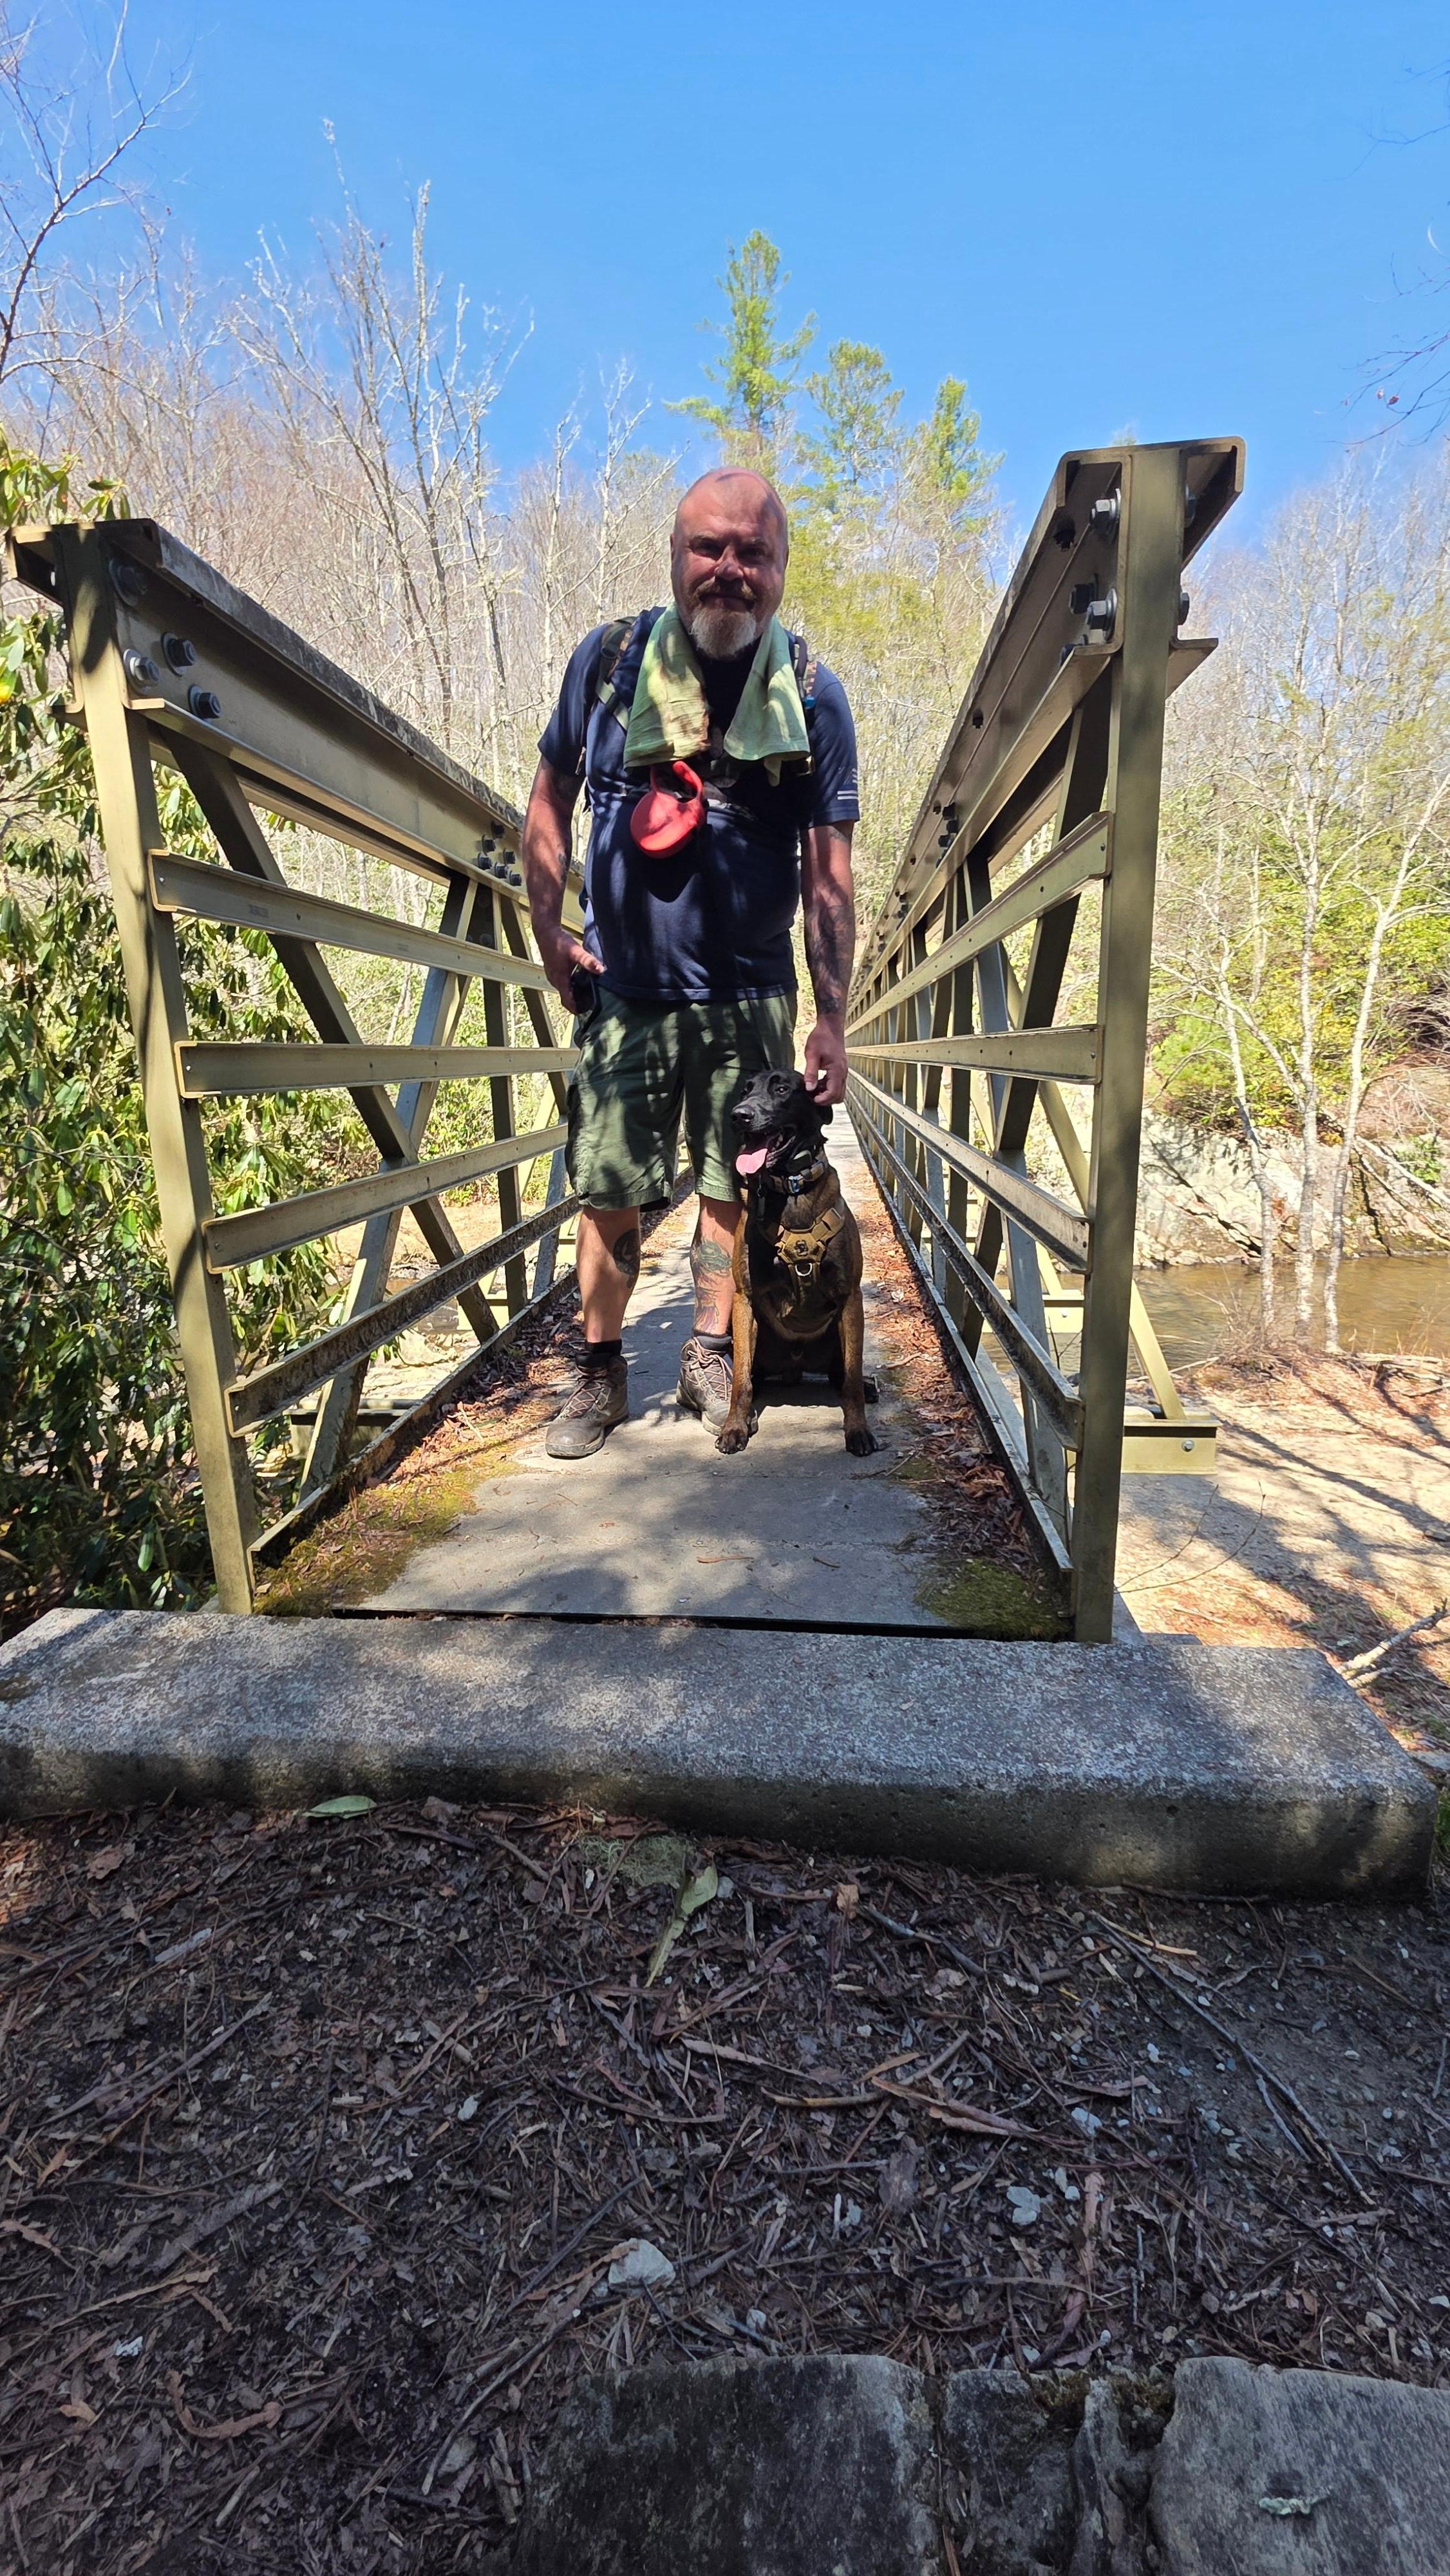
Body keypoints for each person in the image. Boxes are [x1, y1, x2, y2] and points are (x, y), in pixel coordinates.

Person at [522, 466, 861, 1459]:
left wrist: (830, 1013)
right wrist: (548, 925)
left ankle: (711, 1348)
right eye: (708, 548)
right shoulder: (608, 664)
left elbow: (829, 869)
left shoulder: (811, 697)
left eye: (752, 552)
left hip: (751, 994)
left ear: (781, 568)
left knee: (733, 1181)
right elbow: (547, 799)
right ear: (675, 558)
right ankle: (598, 1370)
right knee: (610, 1185)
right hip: (624, 992)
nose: (729, 569)